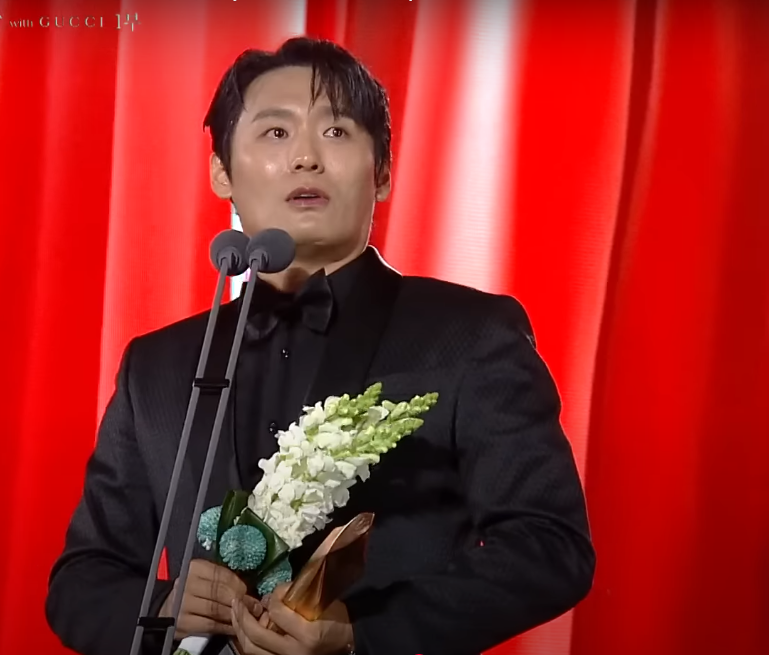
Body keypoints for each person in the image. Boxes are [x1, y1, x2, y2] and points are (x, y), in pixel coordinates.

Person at [45, 37, 595, 655]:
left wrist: (364, 637)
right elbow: (81, 581)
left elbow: (550, 544)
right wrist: (165, 606)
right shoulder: (158, 366)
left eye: (335, 132)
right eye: (275, 133)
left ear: (382, 172)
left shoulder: (470, 335)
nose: (306, 157)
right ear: (221, 171)